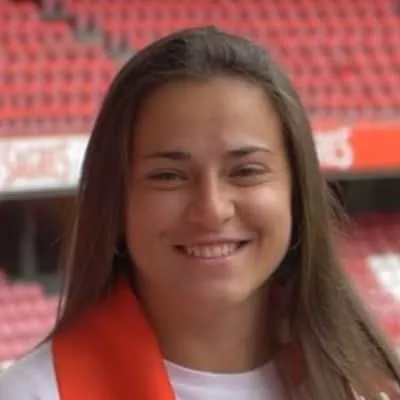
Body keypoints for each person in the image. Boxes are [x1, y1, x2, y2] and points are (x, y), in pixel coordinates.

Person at [0, 26, 400, 400]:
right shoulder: (35, 393)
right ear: (117, 202)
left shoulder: (373, 385)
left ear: (296, 192)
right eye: (168, 175)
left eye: (246, 171)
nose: (211, 210)